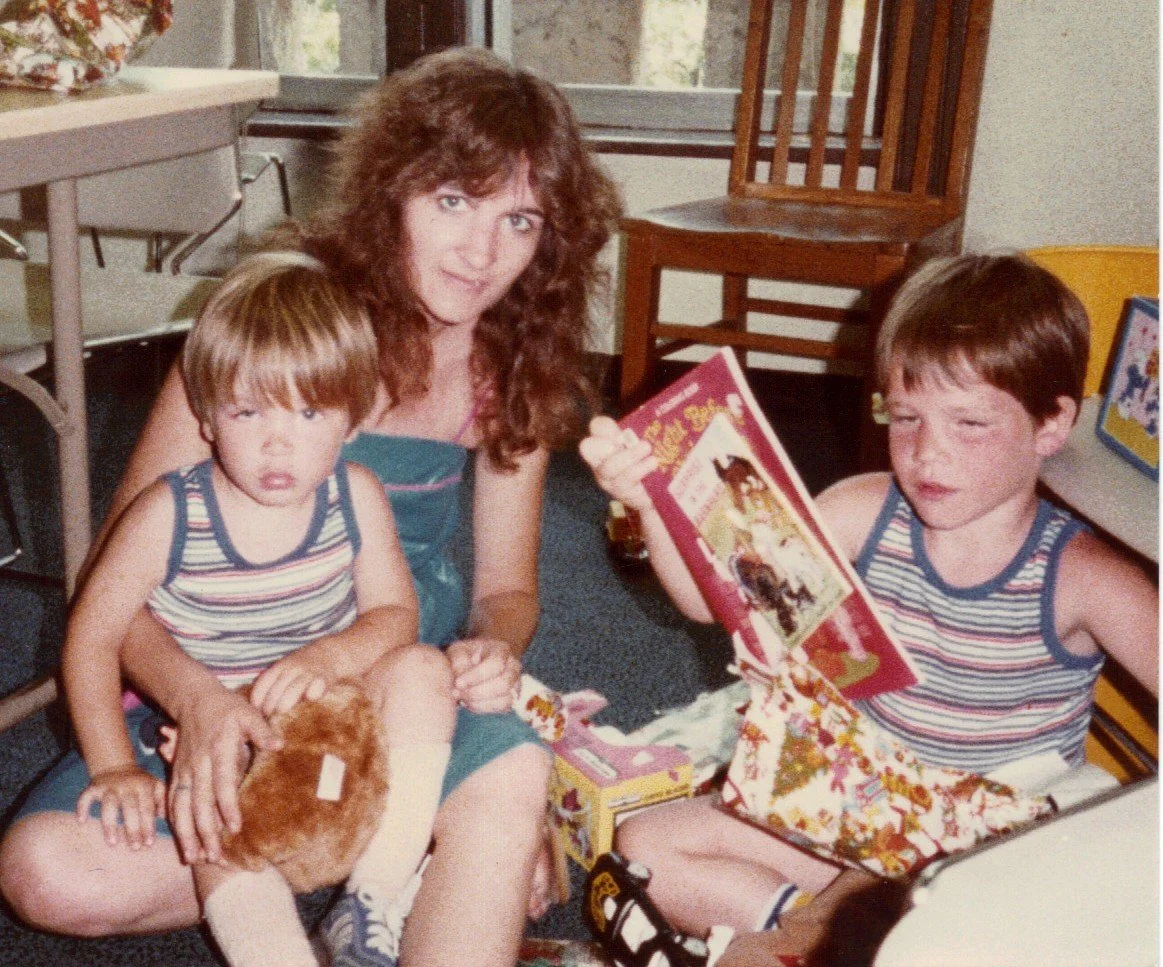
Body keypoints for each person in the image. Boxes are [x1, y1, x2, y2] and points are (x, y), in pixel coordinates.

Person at [0, 47, 622, 967]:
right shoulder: (278, 321)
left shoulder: (513, 355)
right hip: (215, 662)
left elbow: (505, 587)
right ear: (392, 193)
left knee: (511, 774)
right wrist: (202, 705)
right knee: (48, 873)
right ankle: (400, 841)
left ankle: (412, 831)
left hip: (395, 678)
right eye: (453, 201)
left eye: (518, 219)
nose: (481, 251)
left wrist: (493, 648)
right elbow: (117, 585)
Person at [580, 253, 1159, 954]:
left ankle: (828, 932)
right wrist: (653, 505)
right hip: (856, 807)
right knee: (643, 843)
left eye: (969, 424)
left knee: (945, 927)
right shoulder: (864, 507)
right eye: (905, 416)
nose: (926, 453)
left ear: (1049, 424)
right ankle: (814, 931)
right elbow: (714, 602)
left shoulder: (1082, 575)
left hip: (974, 851)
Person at [4, 250, 459, 966]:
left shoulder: (357, 495)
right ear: (208, 415)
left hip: (323, 721)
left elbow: (394, 616)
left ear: (352, 418)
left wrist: (325, 658)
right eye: (248, 410)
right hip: (202, 729)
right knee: (198, 799)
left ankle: (370, 900)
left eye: (310, 411)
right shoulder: (169, 512)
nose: (278, 442)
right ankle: (276, 940)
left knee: (424, 671)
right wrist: (114, 767)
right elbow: (92, 634)